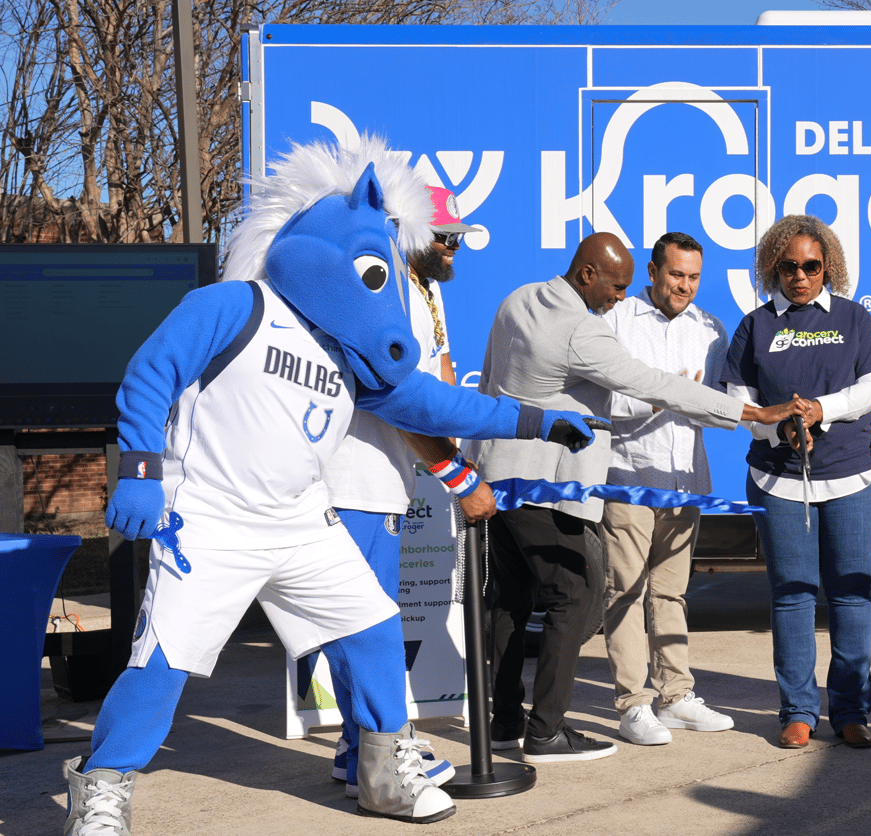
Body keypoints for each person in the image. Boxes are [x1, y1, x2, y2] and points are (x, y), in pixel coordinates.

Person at [65, 137, 601, 833]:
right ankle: (103, 784)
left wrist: (534, 420)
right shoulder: (237, 304)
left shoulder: (346, 353)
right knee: (163, 664)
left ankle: (379, 771)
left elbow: (436, 405)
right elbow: (150, 372)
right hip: (209, 520)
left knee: (375, 626)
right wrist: (139, 469)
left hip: (298, 522)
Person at [467, 232, 800, 764]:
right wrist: (753, 414)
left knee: (510, 603)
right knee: (578, 597)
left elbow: (488, 384)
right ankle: (547, 730)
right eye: (615, 287)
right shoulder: (585, 330)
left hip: (501, 475)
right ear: (587, 276)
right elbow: (654, 384)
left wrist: (474, 459)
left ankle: (505, 723)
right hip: (551, 486)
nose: (619, 298)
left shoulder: (519, 298)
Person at [316, 185, 491, 797]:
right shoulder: (388, 289)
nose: (452, 250)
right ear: (409, 233)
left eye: (457, 240)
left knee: (361, 619)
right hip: (352, 478)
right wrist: (460, 477)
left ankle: (357, 746)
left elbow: (439, 386)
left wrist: (464, 447)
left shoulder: (425, 290)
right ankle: (380, 748)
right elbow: (400, 402)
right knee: (368, 623)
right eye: (444, 238)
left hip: (382, 481)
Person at [720, 214, 871, 751]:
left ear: (828, 267)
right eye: (789, 266)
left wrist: (820, 411)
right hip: (778, 479)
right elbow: (737, 402)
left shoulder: (854, 320)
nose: (800, 276)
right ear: (774, 267)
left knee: (851, 597)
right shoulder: (755, 325)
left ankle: (851, 711)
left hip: (851, 475)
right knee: (792, 597)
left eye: (812, 266)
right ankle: (797, 711)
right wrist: (777, 428)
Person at [599, 232, 735, 746]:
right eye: (676, 274)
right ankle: (632, 703)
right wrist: (660, 396)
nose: (684, 286)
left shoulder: (710, 330)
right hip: (631, 477)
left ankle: (676, 696)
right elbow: (599, 405)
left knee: (671, 593)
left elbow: (723, 410)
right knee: (625, 592)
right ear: (653, 270)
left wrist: (699, 400)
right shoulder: (615, 321)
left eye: (694, 277)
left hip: (686, 480)